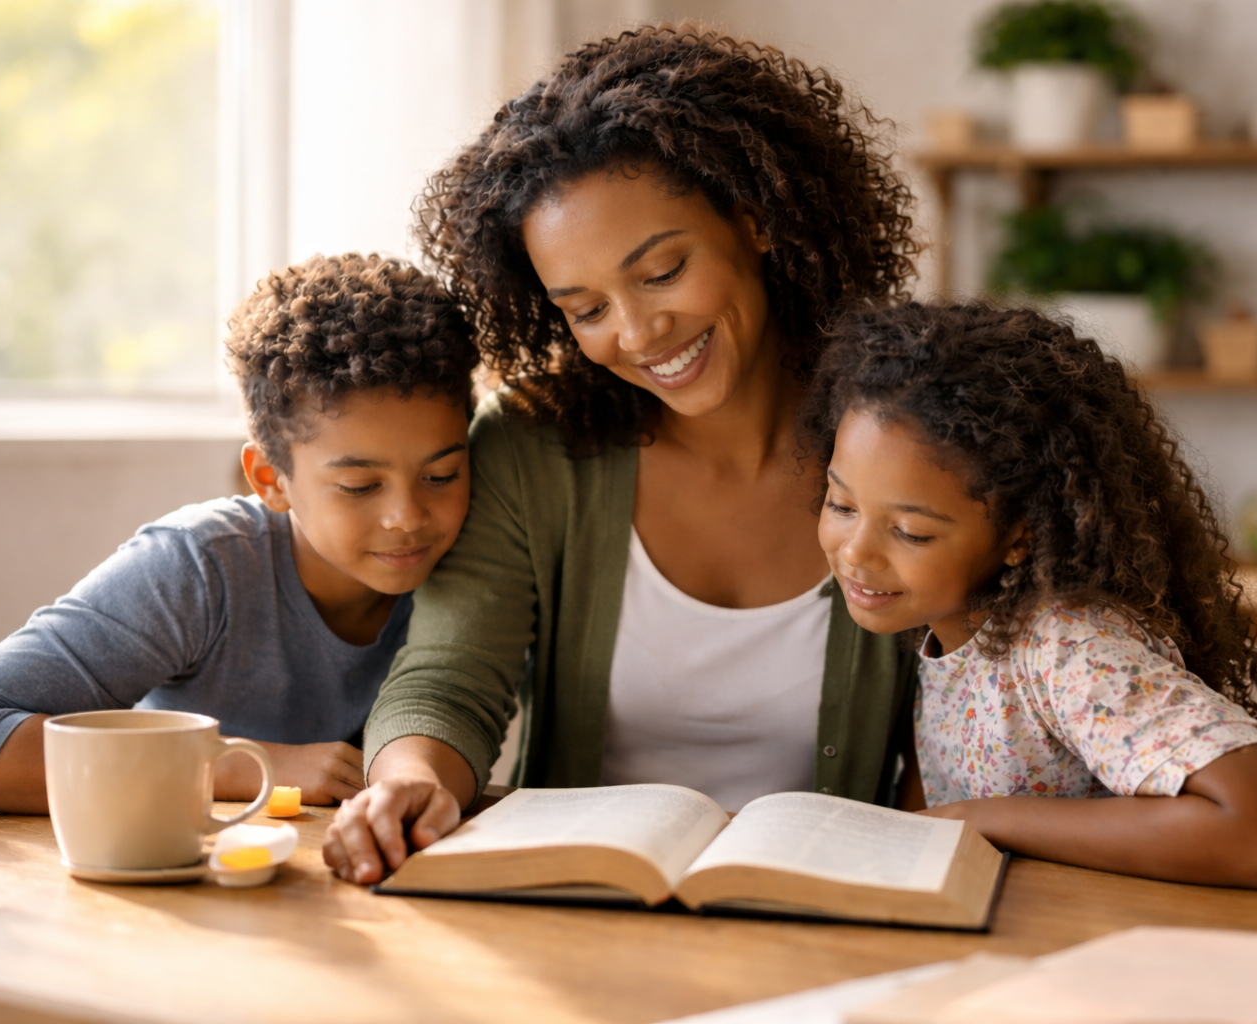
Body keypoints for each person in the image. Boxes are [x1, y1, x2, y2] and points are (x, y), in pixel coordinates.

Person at [323, 26, 921, 883]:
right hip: (581, 918)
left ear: (754, 217)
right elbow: (449, 674)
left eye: (663, 271)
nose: (638, 334)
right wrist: (409, 780)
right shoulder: (535, 445)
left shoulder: (907, 443)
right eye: (585, 308)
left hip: (829, 925)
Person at [0, 254, 478, 814]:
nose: (407, 516)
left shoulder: (482, 552)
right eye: (358, 485)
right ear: (269, 479)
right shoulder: (200, 566)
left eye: (441, 475)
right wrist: (244, 764)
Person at [802, 300, 1257, 889]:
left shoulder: (1066, 646)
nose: (854, 552)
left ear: (1019, 536)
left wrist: (983, 818)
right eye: (841, 505)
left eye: (912, 532)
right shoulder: (936, 625)